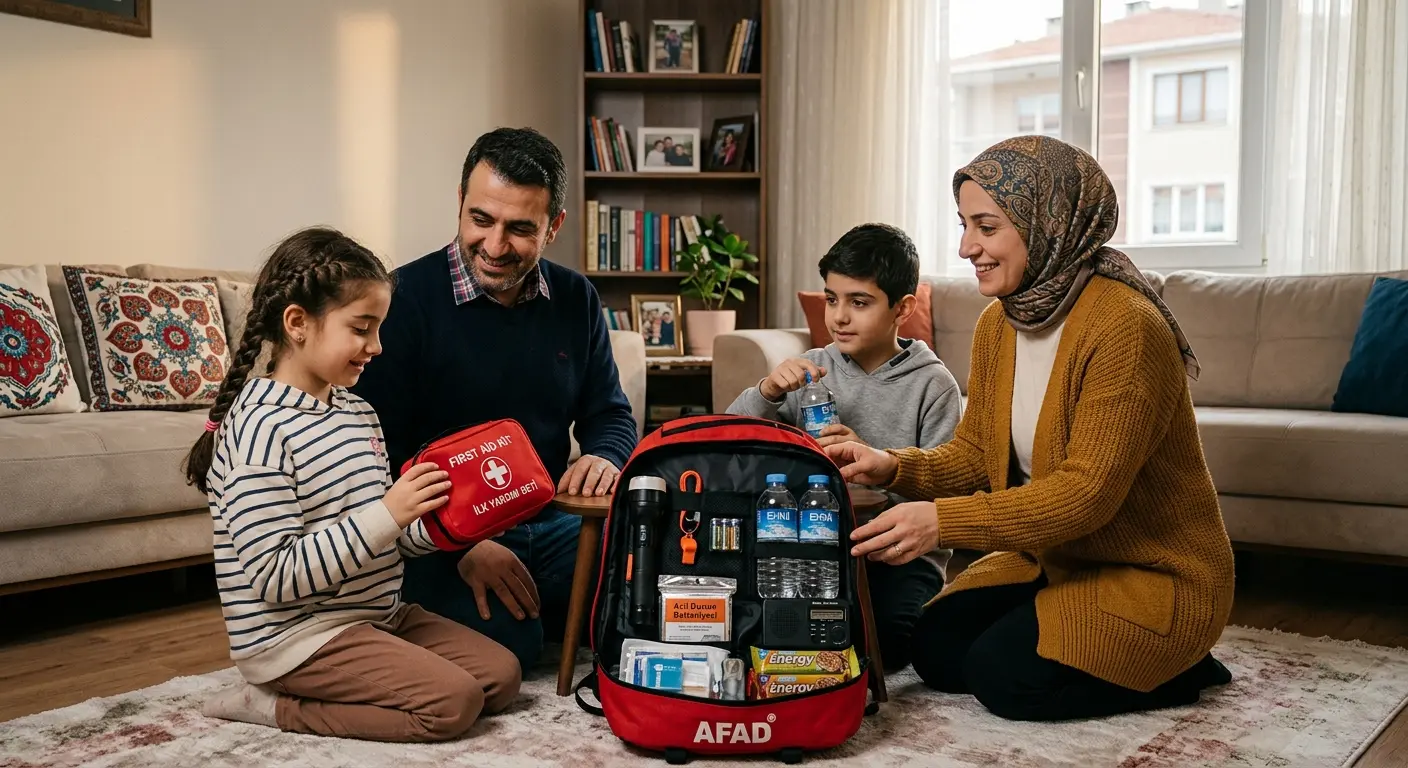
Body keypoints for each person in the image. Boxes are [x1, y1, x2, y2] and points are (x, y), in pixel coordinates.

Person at [826, 135, 1236, 722]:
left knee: (1004, 679)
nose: (967, 246)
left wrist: (943, 519)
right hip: (1054, 562)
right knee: (936, 652)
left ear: (1047, 224)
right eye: (965, 225)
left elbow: (1085, 496)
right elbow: (975, 456)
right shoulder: (1001, 324)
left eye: (986, 227)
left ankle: (1184, 665)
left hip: (1152, 574)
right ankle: (1076, 634)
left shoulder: (1126, 327)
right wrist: (891, 465)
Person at [184, 227, 521, 742]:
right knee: (453, 704)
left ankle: (354, 680)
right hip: (295, 636)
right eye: (362, 328)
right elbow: (276, 576)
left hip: (376, 615)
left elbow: (388, 538)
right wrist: (389, 512)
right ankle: (273, 706)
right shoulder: (258, 427)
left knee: (501, 676)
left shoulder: (359, 413)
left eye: (379, 328)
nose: (377, 346)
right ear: (297, 323)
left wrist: (437, 520)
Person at [351, 127, 638, 672]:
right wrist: (457, 546)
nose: (495, 245)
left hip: (548, 521)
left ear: (553, 227)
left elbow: (610, 413)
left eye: (520, 228)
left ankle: (569, 610)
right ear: (460, 203)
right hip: (436, 537)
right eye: (481, 219)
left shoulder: (576, 298)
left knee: (650, 577)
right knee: (516, 648)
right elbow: (370, 456)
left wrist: (605, 456)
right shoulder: (401, 299)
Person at [725, 222, 963, 671]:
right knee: (755, 626)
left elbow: (942, 491)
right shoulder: (810, 368)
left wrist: (877, 460)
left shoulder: (934, 385)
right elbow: (729, 437)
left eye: (859, 302)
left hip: (896, 554)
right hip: (808, 544)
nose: (839, 316)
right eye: (832, 299)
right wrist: (768, 391)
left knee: (887, 648)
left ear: (902, 308)